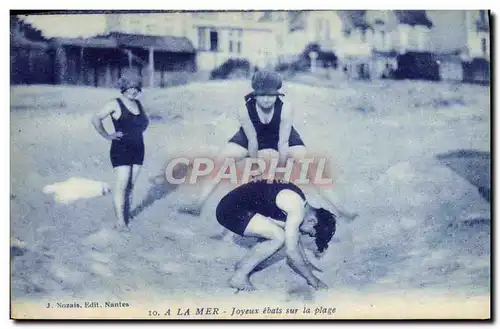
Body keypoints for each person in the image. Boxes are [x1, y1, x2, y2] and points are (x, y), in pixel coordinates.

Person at [178, 70, 307, 215]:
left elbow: (283, 143)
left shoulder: (286, 109)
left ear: (277, 93)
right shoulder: (244, 109)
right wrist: (256, 168)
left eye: (271, 95)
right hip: (252, 136)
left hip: (281, 136)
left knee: (306, 161)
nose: (266, 99)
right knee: (222, 159)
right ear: (254, 93)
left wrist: (281, 172)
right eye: (262, 94)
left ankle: (333, 208)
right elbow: (252, 140)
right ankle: (198, 203)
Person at [215, 179, 337, 291]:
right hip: (230, 211)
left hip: (232, 206)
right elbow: (291, 251)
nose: (306, 233)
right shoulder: (296, 208)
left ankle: (243, 265)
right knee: (278, 237)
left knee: (282, 234)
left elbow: (294, 239)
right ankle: (238, 277)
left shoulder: (298, 202)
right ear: (313, 221)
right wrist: (313, 280)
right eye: (310, 233)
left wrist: (306, 263)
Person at [91, 69, 149, 230]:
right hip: (121, 148)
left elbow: (143, 123)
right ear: (123, 87)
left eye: (136, 87)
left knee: (130, 186)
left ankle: (126, 215)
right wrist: (107, 135)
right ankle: (120, 222)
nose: (133, 90)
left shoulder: (138, 104)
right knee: (122, 185)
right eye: (130, 87)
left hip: (138, 149)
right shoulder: (115, 103)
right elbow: (95, 119)